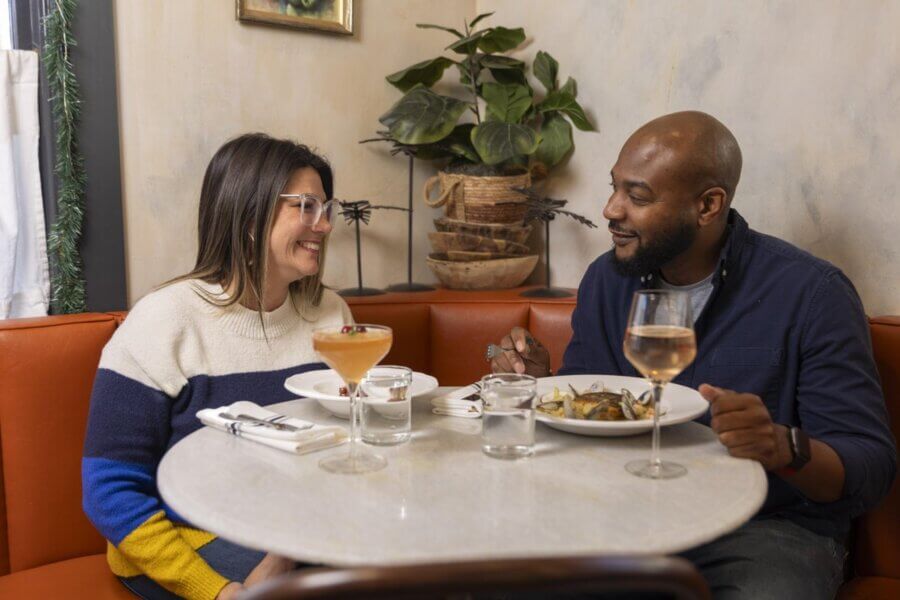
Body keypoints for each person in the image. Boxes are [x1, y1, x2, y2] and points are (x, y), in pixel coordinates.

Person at [490, 112, 896, 599]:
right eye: (615, 187)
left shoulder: (812, 293)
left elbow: (871, 466)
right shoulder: (608, 279)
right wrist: (541, 382)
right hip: (628, 512)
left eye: (638, 196)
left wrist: (783, 446)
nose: (610, 209)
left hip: (767, 529)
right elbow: (589, 420)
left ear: (708, 205)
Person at [82, 133, 353, 599]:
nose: (325, 225)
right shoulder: (164, 321)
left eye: (326, 208)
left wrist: (283, 552)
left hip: (296, 530)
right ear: (249, 217)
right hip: (185, 539)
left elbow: (344, 445)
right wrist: (219, 591)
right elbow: (109, 489)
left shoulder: (330, 314)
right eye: (306, 207)